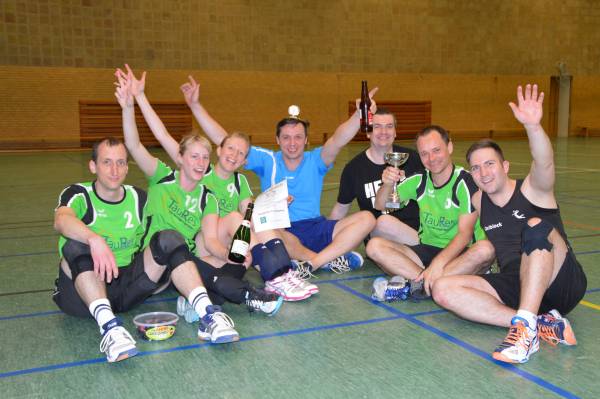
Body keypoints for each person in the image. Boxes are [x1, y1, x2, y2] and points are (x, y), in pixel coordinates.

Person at [432, 84, 587, 364]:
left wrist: (533, 126)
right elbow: (467, 238)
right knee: (443, 289)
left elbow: (545, 162)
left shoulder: (532, 190)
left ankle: (525, 333)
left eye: (490, 164)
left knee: (536, 224)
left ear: (505, 167)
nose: (483, 172)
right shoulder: (479, 202)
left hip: (560, 279)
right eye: (476, 168)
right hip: (518, 283)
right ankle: (538, 324)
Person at [116, 67, 282, 326]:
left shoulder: (208, 197)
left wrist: (229, 254)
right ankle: (244, 294)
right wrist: (135, 100)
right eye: (194, 156)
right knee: (178, 248)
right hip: (156, 262)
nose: (200, 162)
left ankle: (196, 298)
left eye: (205, 158)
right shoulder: (161, 177)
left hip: (186, 264)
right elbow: (139, 143)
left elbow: (212, 240)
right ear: (180, 158)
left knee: (236, 261)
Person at [52, 137, 238, 364]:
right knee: (75, 244)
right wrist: (94, 239)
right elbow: (61, 220)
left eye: (121, 163)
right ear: (93, 166)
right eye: (107, 162)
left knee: (169, 236)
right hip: (80, 295)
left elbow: (162, 241)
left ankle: (207, 315)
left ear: (127, 168)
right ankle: (109, 329)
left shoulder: (139, 198)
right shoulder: (78, 193)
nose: (114, 169)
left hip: (125, 288)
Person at [181, 75, 376, 274]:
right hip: (282, 232)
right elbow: (226, 141)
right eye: (286, 138)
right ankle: (324, 259)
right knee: (263, 229)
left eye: (298, 137)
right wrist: (195, 106)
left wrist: (358, 116)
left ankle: (315, 261)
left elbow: (338, 139)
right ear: (277, 139)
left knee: (367, 219)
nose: (292, 143)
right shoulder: (267, 160)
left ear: (306, 140)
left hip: (316, 226)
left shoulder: (317, 160)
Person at [369, 125, 492, 297]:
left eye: (436, 150)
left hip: (460, 253)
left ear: (449, 147)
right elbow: (381, 205)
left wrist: (437, 264)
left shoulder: (465, 182)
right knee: (374, 246)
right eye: (424, 153)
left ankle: (419, 281)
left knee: (485, 250)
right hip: (427, 249)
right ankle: (430, 283)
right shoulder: (419, 181)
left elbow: (465, 235)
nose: (431, 158)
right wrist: (388, 184)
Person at [330, 108, 424, 246]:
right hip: (381, 239)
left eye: (389, 126)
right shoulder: (354, 168)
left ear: (395, 132)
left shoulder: (413, 159)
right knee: (383, 223)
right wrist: (324, 238)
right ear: (368, 133)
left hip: (414, 232)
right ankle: (429, 251)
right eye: (377, 127)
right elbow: (340, 209)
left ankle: (426, 250)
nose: (384, 132)